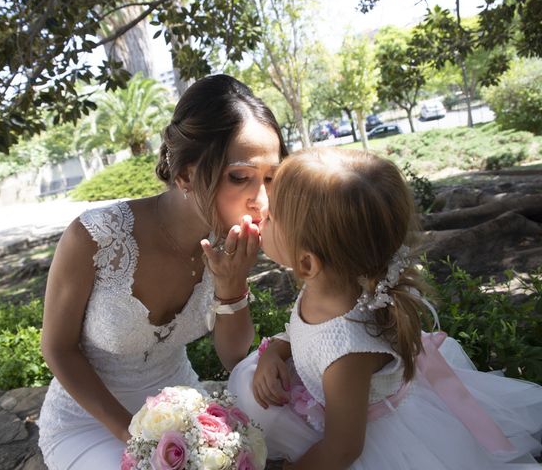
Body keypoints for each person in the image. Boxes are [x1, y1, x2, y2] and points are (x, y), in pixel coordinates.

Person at [228, 147, 542, 469]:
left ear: (307, 263)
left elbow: (342, 449)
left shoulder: (348, 350)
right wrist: (275, 352)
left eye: (272, 217)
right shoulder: (328, 287)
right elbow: (303, 333)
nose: (261, 213)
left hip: (378, 447)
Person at [37, 74, 288, 469]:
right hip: (91, 421)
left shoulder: (230, 242)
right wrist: (134, 437)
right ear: (186, 174)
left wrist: (231, 286)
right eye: (240, 177)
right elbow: (57, 348)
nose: (260, 201)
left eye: (270, 178)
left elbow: (234, 357)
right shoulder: (95, 237)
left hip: (183, 411)